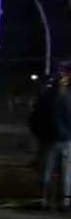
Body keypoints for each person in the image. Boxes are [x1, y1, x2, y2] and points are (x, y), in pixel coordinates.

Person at [36, 68, 71, 210]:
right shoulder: (68, 97)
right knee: (66, 172)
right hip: (66, 139)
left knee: (47, 170)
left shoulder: (45, 97)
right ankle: (65, 201)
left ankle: (43, 199)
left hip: (49, 139)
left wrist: (41, 134)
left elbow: (37, 118)